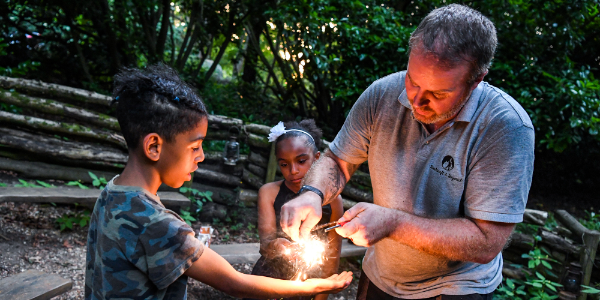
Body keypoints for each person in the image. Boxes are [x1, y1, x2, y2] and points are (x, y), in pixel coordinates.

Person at [279, 4, 535, 300]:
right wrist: (312, 193)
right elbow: (338, 160)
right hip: (383, 276)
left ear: (476, 81)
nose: (417, 100)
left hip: (455, 288)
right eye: (412, 81)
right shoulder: (382, 94)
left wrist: (393, 223)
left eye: (438, 93)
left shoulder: (506, 128)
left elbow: (486, 241)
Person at [84, 64, 353, 300]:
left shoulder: (112, 192)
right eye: (195, 146)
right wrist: (315, 286)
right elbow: (235, 283)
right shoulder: (157, 224)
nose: (201, 157)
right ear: (154, 146)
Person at [245, 120, 344, 300]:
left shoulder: (333, 200)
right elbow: (265, 244)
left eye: (301, 161)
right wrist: (277, 245)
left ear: (317, 158)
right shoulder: (268, 193)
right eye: (284, 164)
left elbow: (332, 260)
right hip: (269, 279)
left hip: (308, 283)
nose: (293, 170)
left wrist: (321, 296)